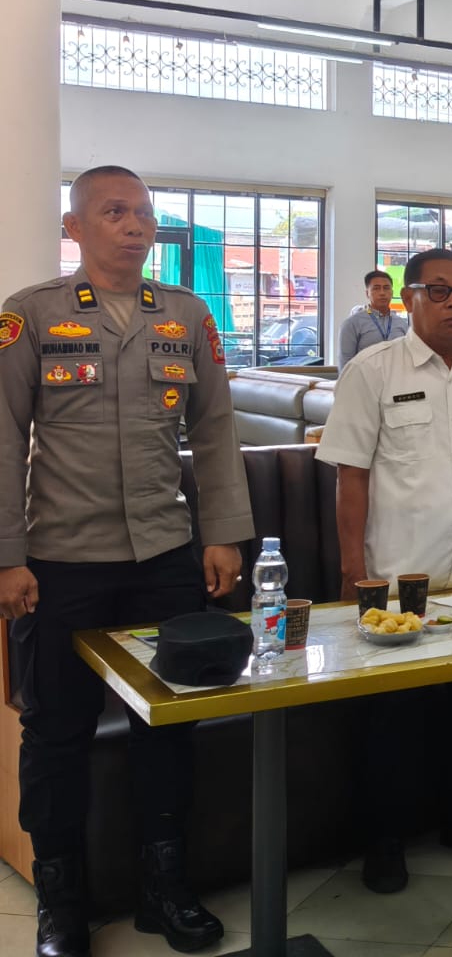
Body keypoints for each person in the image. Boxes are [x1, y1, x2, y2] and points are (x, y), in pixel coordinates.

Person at [0, 165, 252, 957]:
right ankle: (61, 900)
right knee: (55, 734)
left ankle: (163, 888)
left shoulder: (185, 314)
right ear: (74, 227)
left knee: (167, 723)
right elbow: (2, 439)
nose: (135, 225)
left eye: (143, 212)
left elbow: (214, 428)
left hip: (164, 556)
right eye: (114, 212)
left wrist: (223, 533)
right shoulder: (29, 315)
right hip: (60, 560)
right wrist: (6, 556)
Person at [318, 247, 452, 893]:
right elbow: (351, 476)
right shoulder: (372, 370)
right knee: (394, 720)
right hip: (398, 580)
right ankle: (384, 839)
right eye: (439, 291)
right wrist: (352, 569)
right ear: (410, 297)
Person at [338, 269, 411, 369]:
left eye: (386, 288)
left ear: (392, 292)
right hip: (365, 378)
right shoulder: (352, 324)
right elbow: (345, 363)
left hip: (396, 377)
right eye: (376, 288)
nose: (382, 293)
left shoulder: (402, 324)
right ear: (367, 293)